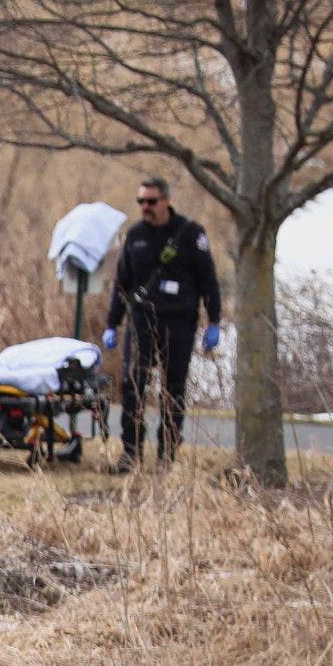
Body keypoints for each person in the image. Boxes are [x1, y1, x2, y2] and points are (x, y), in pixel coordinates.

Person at [102, 176, 223, 472]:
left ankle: (166, 455)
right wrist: (113, 323)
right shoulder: (135, 235)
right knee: (134, 386)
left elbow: (209, 280)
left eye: (151, 201)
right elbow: (123, 282)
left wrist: (214, 321)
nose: (145, 207)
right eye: (141, 202)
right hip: (142, 319)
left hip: (179, 320)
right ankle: (131, 453)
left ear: (166, 200)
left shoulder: (190, 233)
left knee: (173, 388)